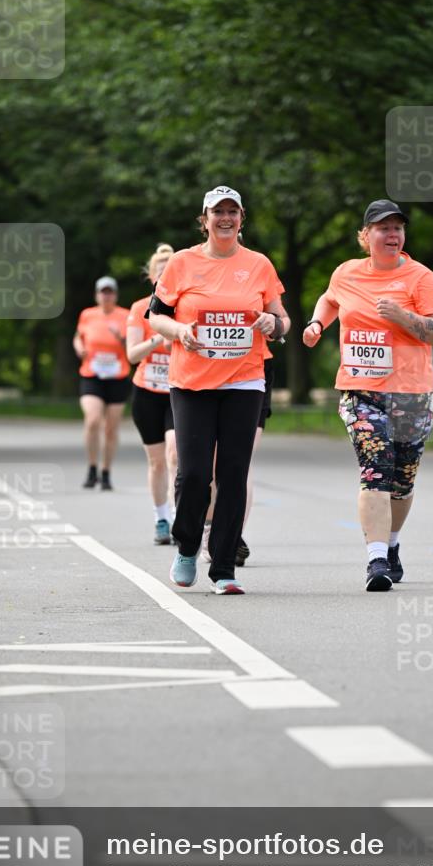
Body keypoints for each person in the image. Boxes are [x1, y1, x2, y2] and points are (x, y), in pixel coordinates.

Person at [303, 199, 433, 592]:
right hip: (360, 391)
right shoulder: (346, 272)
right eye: (383, 228)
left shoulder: (421, 278)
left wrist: (403, 317)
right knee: (376, 471)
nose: (392, 234)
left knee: (402, 482)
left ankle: (392, 542)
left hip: (412, 394)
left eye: (397, 228)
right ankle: (376, 561)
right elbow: (330, 298)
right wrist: (318, 323)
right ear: (365, 236)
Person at [148, 185, 290, 594]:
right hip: (192, 382)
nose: (225, 218)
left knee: (232, 474)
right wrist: (180, 330)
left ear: (242, 218)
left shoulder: (259, 264)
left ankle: (224, 567)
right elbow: (156, 317)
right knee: (193, 474)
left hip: (244, 381)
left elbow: (282, 319)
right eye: (217, 212)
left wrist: (273, 325)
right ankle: (188, 545)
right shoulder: (181, 263)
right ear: (204, 219)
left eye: (233, 211)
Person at [200, 344, 275, 566]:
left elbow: (280, 321)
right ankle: (215, 532)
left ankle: (229, 537)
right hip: (212, 364)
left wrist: (274, 323)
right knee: (222, 462)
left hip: (253, 366)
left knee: (241, 459)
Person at [126, 243, 178, 544]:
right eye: (160, 272)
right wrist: (157, 339)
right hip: (146, 391)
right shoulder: (138, 308)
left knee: (175, 454)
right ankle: (161, 518)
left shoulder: (185, 305)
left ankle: (178, 513)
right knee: (157, 460)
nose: (164, 276)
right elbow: (132, 354)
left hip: (177, 390)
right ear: (151, 277)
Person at [73, 276, 131, 490]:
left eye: (110, 292)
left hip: (117, 377)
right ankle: (91, 467)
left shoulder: (125, 316)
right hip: (92, 375)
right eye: (102, 292)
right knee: (93, 420)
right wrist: (79, 347)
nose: (106, 296)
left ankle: (106, 472)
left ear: (115, 295)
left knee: (111, 428)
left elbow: (133, 348)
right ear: (97, 295)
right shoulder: (87, 315)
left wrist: (121, 339)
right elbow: (78, 336)